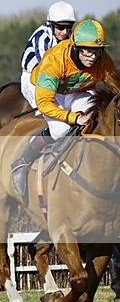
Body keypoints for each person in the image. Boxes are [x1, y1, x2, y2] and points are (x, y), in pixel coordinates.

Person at [11, 19, 118, 197]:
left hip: (76, 92)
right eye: (88, 50)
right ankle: (22, 162)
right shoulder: (54, 60)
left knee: (97, 111)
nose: (93, 56)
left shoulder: (103, 60)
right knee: (61, 128)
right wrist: (74, 118)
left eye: (97, 51)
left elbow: (116, 87)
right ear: (76, 47)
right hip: (49, 93)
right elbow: (45, 104)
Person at [19, 1, 76, 106]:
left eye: (68, 27)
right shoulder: (42, 36)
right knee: (46, 108)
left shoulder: (70, 36)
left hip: (56, 79)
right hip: (32, 78)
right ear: (51, 24)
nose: (65, 32)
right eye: (60, 27)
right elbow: (45, 66)